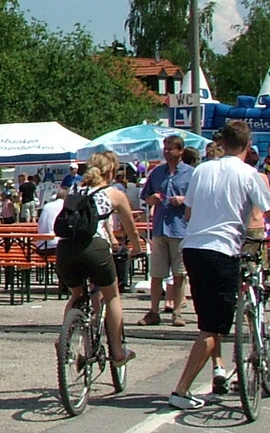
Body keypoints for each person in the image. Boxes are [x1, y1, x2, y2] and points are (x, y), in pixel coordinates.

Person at [166, 121, 270, 409]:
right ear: (247, 144)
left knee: (208, 319)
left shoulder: (203, 169)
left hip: (193, 247)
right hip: (222, 251)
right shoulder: (249, 174)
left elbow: (191, 211)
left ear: (223, 142)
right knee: (213, 328)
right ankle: (181, 391)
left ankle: (217, 369)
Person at [54, 151, 143, 372]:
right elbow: (130, 228)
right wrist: (137, 249)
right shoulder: (114, 194)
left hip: (66, 248)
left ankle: (64, 339)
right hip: (95, 249)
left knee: (76, 295)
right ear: (111, 171)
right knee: (112, 296)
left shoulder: (74, 191)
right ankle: (118, 351)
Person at [139, 134, 194, 327]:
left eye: (171, 149)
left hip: (180, 229)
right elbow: (145, 197)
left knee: (179, 274)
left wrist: (184, 200)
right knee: (157, 274)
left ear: (180, 151)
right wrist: (152, 198)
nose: (167, 152)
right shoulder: (157, 173)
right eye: (165, 148)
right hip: (160, 228)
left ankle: (177, 312)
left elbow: (198, 199)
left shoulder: (191, 173)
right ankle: (153, 311)